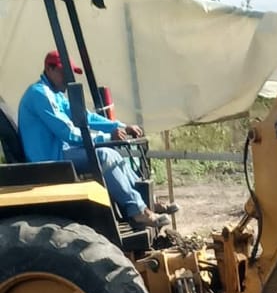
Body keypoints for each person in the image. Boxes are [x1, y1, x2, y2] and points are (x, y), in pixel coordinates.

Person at [17, 50, 169, 228]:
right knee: (104, 156)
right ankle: (137, 210)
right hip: (49, 159)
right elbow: (68, 133)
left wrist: (120, 126)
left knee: (113, 154)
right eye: (63, 73)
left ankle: (147, 201)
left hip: (60, 151)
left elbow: (84, 116)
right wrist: (107, 137)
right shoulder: (40, 95)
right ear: (49, 69)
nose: (67, 79)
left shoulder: (54, 94)